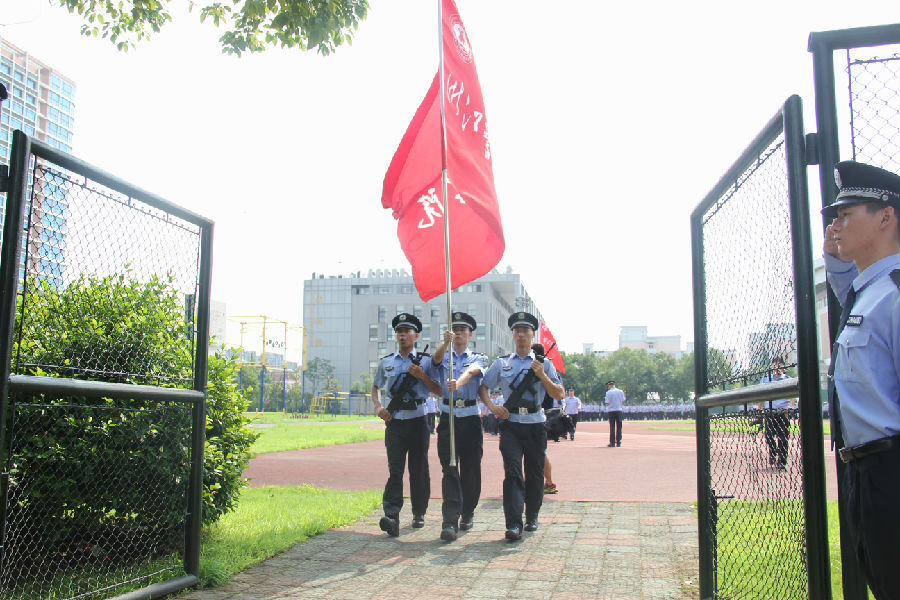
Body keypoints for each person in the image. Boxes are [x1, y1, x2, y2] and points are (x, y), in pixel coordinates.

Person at [822, 160, 900, 599]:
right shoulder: (869, 290)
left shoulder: (893, 293)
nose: (835, 224)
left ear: (886, 216)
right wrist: (834, 259)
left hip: (891, 468)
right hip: (864, 472)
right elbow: (846, 290)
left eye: (846, 213)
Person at [479, 311, 564, 541]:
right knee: (513, 474)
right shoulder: (502, 363)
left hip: (535, 425)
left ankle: (532, 516)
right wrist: (493, 408)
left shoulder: (544, 364)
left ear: (532, 334)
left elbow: (559, 392)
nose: (521, 335)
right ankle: (514, 523)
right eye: (517, 331)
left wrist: (542, 375)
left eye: (525, 331)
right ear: (513, 335)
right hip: (511, 426)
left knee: (535, 474)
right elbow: (483, 387)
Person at [371, 313, 443, 537]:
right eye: (399, 332)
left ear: (416, 335)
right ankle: (391, 515)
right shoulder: (387, 362)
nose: (402, 335)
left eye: (407, 332)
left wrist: (422, 376)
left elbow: (439, 390)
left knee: (419, 469)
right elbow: (375, 387)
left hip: (419, 420)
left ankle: (419, 512)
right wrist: (378, 407)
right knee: (395, 470)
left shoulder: (427, 361)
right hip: (395, 421)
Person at [427, 312, 488, 542]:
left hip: (470, 418)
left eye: (463, 329)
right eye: (455, 329)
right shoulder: (444, 355)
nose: (459, 332)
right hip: (448, 417)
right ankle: (450, 520)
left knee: (471, 469)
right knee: (449, 468)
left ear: (470, 334)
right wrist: (444, 343)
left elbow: (473, 372)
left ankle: (468, 511)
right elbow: (434, 362)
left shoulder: (479, 357)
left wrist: (458, 382)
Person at [756, 357, 795, 470]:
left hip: (783, 413)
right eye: (774, 365)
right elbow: (761, 397)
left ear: (783, 367)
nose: (777, 367)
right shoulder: (766, 379)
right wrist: (759, 412)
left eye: (779, 365)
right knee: (769, 436)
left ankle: (782, 462)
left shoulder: (787, 380)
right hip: (770, 413)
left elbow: (793, 396)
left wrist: (789, 408)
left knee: (783, 438)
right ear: (771, 367)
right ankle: (773, 451)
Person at [605, 381, 626, 447]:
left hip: (611, 411)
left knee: (612, 426)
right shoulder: (621, 391)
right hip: (619, 410)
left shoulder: (608, 392)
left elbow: (607, 402)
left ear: (609, 386)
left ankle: (612, 442)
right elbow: (623, 401)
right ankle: (619, 442)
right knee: (619, 426)